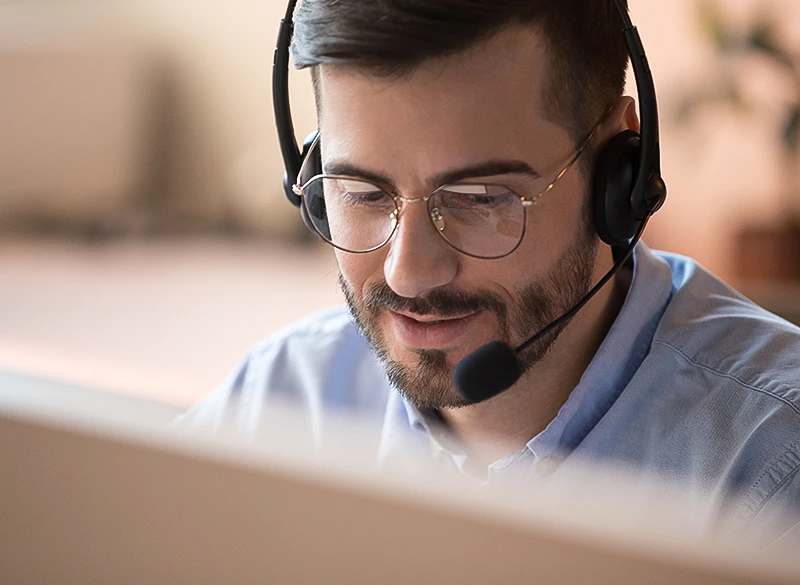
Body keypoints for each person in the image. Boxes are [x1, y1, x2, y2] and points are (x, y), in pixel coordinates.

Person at [177, 0, 800, 545]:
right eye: (360, 193)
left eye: (479, 198)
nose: (410, 274)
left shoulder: (771, 470)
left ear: (619, 174)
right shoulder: (280, 401)